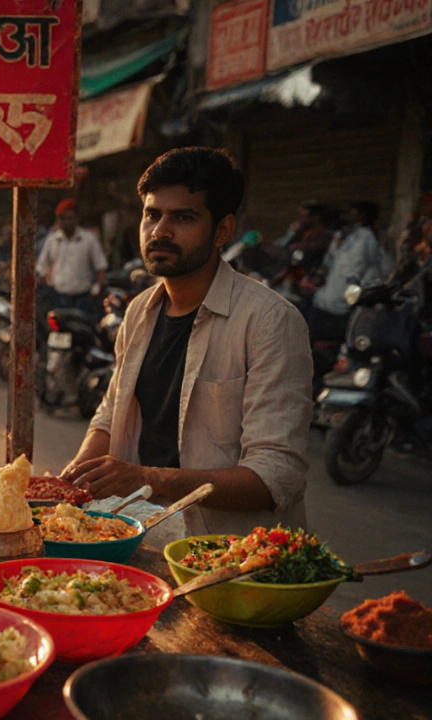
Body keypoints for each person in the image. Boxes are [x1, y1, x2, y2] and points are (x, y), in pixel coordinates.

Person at [61, 147, 312, 537]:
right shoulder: (139, 312)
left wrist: (148, 478)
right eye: (152, 215)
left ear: (223, 231)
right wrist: (71, 481)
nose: (160, 231)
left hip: (226, 547)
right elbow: (111, 417)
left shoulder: (269, 321)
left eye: (183, 217)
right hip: (135, 527)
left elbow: (275, 477)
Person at [306, 201, 392, 344]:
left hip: (345, 303)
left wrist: (353, 293)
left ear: (362, 216)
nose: (349, 216)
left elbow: (360, 269)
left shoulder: (366, 238)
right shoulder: (346, 235)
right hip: (328, 298)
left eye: (354, 213)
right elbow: (330, 261)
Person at [36, 198, 107, 316]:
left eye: (70, 218)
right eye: (63, 218)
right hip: (58, 297)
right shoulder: (52, 240)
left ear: (76, 218)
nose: (66, 222)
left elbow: (101, 266)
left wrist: (97, 288)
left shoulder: (89, 239)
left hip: (82, 298)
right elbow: (42, 266)